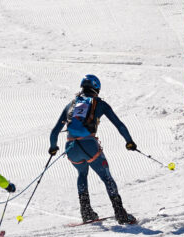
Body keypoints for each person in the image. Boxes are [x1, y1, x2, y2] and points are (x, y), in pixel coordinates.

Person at [48, 74, 138, 224]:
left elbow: (55, 130)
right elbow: (119, 125)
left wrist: (53, 147)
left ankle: (86, 211)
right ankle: (120, 213)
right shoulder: (99, 104)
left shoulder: (71, 104)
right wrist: (129, 142)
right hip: (90, 146)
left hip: (71, 148)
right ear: (97, 88)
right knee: (106, 177)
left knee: (82, 174)